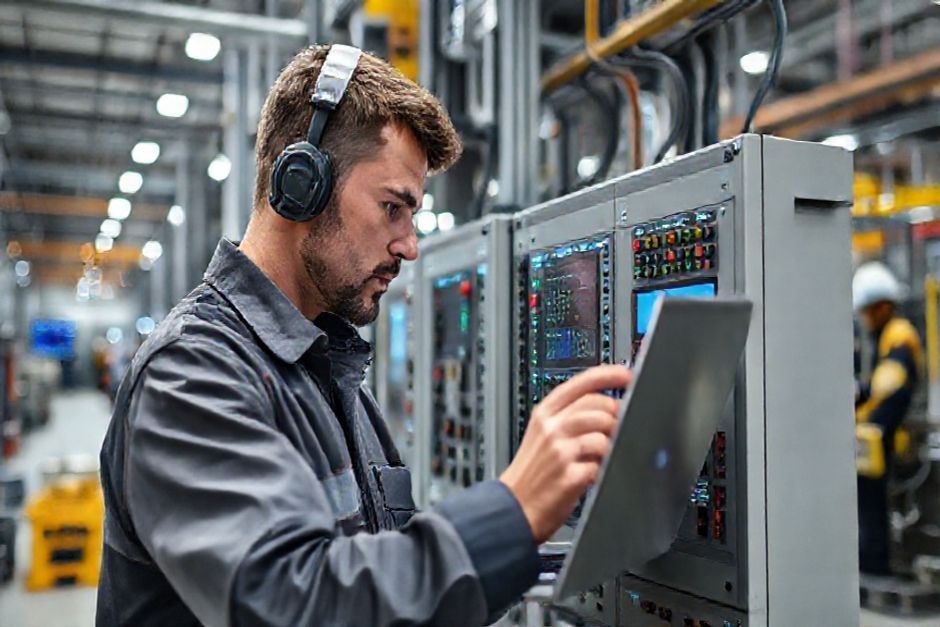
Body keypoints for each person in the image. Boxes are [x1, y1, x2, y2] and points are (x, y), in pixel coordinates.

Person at [96, 44, 630, 627]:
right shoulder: (191, 375)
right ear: (302, 184)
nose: (409, 246)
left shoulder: (335, 383)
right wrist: (513, 512)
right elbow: (297, 604)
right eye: (392, 208)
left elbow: (389, 584)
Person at [853, 261, 921, 576]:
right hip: (876, 437)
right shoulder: (889, 336)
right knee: (869, 507)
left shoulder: (898, 336)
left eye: (867, 310)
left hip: (880, 438)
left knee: (872, 508)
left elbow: (892, 389)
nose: (865, 318)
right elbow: (879, 385)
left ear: (882, 307)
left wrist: (872, 424)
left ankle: (875, 566)